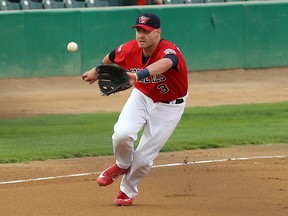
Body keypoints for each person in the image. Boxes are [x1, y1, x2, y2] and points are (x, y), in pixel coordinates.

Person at [82, 12, 188, 206]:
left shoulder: (169, 50)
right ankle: (121, 165)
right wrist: (96, 70)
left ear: (158, 32)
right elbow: (112, 56)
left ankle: (126, 192)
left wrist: (140, 75)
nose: (141, 35)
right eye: (138, 30)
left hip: (170, 106)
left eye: (146, 31)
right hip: (142, 96)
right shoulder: (130, 49)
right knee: (121, 133)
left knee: (142, 158)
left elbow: (167, 63)